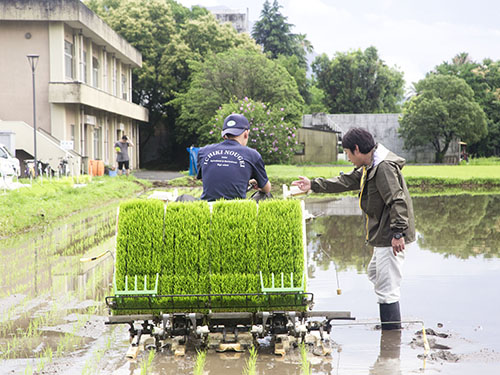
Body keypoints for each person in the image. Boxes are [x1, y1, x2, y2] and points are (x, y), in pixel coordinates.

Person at [292, 128, 415, 330]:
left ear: (357, 149)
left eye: (348, 153)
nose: (347, 158)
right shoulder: (371, 165)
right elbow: (346, 181)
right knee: (375, 273)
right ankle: (390, 326)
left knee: (387, 288)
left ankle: (391, 336)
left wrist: (398, 233)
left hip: (390, 235)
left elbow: (397, 200)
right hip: (384, 234)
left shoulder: (383, 168)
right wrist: (313, 185)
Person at [197, 113, 271, 201]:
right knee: (267, 195)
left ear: (224, 135)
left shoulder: (203, 151)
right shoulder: (252, 155)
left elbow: (205, 178)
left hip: (207, 207)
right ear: (246, 133)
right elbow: (266, 188)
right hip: (236, 209)